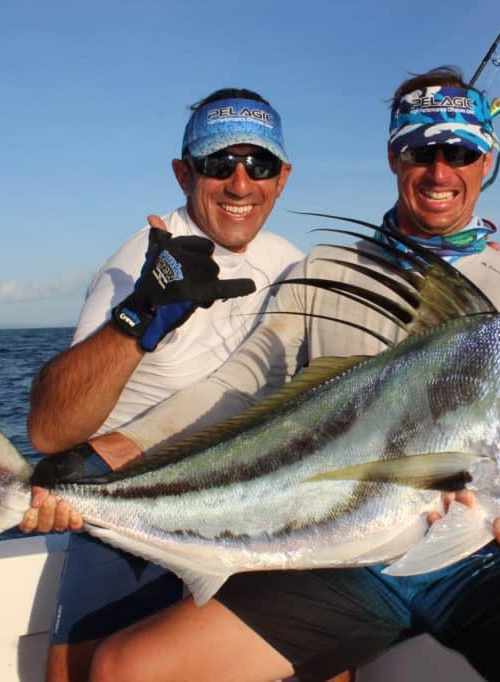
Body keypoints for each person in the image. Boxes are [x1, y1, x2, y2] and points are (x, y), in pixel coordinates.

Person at [70, 67, 500, 681]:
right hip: (344, 555)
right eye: (421, 151)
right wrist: (110, 452)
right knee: (126, 668)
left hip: (480, 558)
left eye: (461, 151)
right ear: (395, 158)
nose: (440, 172)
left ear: (486, 160)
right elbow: (240, 384)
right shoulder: (326, 270)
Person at [20, 87, 303, 682]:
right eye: (217, 163)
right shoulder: (138, 262)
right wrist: (141, 312)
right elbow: (50, 430)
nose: (240, 183)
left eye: (260, 165)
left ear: (283, 178)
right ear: (183, 172)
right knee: (82, 671)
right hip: (134, 505)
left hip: (252, 504)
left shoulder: (293, 267)